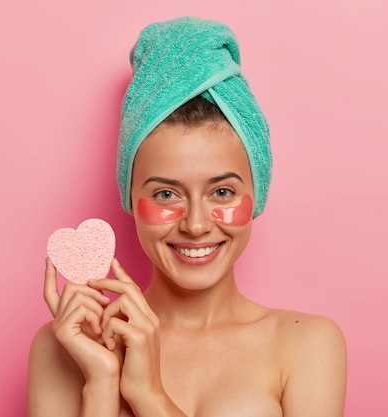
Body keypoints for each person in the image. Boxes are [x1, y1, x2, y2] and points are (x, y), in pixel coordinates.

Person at [27, 16, 347, 417]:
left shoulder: (308, 344)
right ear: (129, 196)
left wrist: (148, 395)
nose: (196, 225)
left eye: (223, 192)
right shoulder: (63, 346)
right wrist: (102, 384)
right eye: (165, 193)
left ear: (257, 192)